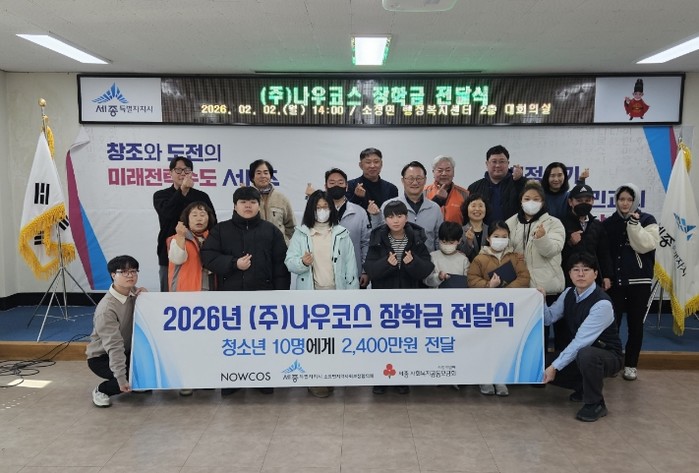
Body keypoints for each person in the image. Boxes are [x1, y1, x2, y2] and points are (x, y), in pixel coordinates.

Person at [201, 186, 290, 395]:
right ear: (235, 206)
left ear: (259, 205)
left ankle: (263, 378)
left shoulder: (271, 231)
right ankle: (232, 380)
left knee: (262, 341)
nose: (247, 206)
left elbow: (281, 265)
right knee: (233, 341)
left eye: (252, 202)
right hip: (231, 297)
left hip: (264, 297)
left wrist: (281, 295)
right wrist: (233, 264)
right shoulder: (221, 230)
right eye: (243, 202)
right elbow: (208, 256)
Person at [285, 190, 359, 398]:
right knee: (315, 342)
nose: (322, 211)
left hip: (337, 295)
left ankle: (332, 376)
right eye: (318, 208)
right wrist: (302, 262)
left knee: (335, 341)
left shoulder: (341, 233)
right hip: (312, 296)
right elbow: (289, 262)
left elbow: (351, 266)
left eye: (326, 207)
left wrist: (352, 297)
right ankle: (316, 380)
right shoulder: (301, 234)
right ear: (311, 210)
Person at [364, 200, 435, 395]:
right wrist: (387, 264)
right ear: (385, 219)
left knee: (404, 341)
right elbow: (370, 268)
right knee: (382, 341)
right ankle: (380, 379)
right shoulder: (377, 237)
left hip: (409, 300)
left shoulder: (417, 237)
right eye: (390, 217)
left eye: (399, 216)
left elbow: (427, 268)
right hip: (383, 301)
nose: (395, 220)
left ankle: (402, 377)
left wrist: (412, 263)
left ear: (406, 217)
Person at [543, 252, 623, 422]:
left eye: (586, 270)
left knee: (586, 354)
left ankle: (595, 403)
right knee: (541, 363)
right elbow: (549, 318)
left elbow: (581, 342)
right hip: (582, 353)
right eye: (576, 270)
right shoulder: (568, 293)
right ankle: (583, 387)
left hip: (607, 354)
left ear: (595, 274)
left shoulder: (602, 303)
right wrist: (540, 300)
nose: (580, 274)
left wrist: (554, 367)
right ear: (569, 274)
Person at [602, 183, 659, 381]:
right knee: (612, 324)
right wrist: (607, 276)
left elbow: (645, 245)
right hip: (616, 283)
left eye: (629, 199)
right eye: (621, 199)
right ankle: (613, 362)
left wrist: (634, 224)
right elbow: (605, 253)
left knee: (636, 325)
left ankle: (631, 365)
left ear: (635, 201)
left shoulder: (647, 220)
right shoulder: (609, 223)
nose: (625, 203)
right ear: (616, 200)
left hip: (640, 282)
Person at [467, 221, 530, 397]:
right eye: (496, 236)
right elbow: (472, 280)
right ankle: (485, 378)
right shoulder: (479, 258)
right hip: (485, 309)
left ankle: (501, 378)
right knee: (485, 343)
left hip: (508, 309)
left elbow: (524, 278)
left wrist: (506, 290)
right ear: (488, 238)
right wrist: (489, 285)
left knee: (503, 344)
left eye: (504, 237)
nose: (500, 239)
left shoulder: (515, 257)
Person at [167, 201, 217, 396]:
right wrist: (180, 236)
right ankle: (186, 380)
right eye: (194, 215)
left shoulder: (215, 237)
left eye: (203, 215)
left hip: (210, 295)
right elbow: (177, 258)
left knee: (207, 340)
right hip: (186, 298)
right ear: (186, 219)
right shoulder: (176, 238)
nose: (199, 218)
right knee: (186, 341)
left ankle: (204, 377)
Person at [557, 183, 613, 351]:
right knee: (565, 323)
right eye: (579, 200)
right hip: (567, 281)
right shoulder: (560, 223)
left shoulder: (597, 225)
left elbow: (604, 253)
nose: (584, 203)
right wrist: (569, 242)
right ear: (570, 202)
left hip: (590, 283)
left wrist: (607, 276)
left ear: (593, 201)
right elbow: (554, 253)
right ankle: (562, 359)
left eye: (587, 200)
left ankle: (586, 358)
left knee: (588, 321)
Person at [86, 255, 147, 408]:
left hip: (127, 350)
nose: (130, 275)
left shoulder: (134, 293)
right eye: (124, 272)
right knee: (128, 380)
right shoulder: (106, 309)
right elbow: (114, 345)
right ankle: (102, 390)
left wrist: (147, 298)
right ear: (113, 275)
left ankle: (134, 380)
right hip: (102, 357)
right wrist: (121, 378)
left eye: (133, 271)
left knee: (148, 372)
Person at [153, 156, 215, 292]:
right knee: (169, 292)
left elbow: (212, 223)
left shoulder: (202, 196)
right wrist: (182, 190)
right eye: (178, 170)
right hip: (170, 252)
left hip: (200, 253)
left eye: (187, 170)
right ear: (170, 173)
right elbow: (168, 213)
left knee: (202, 291)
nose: (183, 174)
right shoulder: (160, 195)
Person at [505, 181, 565, 303]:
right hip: (518, 289)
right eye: (527, 199)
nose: (531, 202)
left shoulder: (554, 223)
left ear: (542, 202)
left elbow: (552, 250)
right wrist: (512, 256)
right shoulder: (510, 223)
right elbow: (502, 251)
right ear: (521, 201)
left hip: (546, 289)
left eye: (536, 199)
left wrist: (542, 238)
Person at [372, 161, 444, 251]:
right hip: (396, 259)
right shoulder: (388, 206)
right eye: (410, 178)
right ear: (403, 181)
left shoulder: (434, 208)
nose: (415, 183)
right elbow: (378, 236)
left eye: (419, 178)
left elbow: (439, 240)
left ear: (425, 180)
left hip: (428, 259)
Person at [324, 168, 371, 288]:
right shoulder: (317, 212)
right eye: (332, 183)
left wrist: (365, 271)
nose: (336, 186)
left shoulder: (359, 212)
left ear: (346, 187)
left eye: (340, 183)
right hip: (324, 275)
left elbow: (366, 243)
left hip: (354, 273)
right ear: (326, 186)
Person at [467, 145, 524, 224]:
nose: (497, 165)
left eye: (502, 161)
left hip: (513, 230)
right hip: (484, 231)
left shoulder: (519, 184)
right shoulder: (474, 188)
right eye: (494, 161)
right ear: (487, 164)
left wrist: (520, 181)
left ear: (508, 163)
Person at [248, 159, 295, 244]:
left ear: (270, 176)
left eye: (266, 173)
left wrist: (283, 240)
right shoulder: (246, 197)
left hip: (279, 248)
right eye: (258, 173)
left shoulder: (281, 198)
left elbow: (291, 226)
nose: (263, 176)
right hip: (254, 247)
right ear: (252, 177)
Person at [346, 147, 399, 220]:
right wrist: (357, 197)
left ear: (381, 164)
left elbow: (393, 215)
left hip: (383, 226)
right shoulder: (350, 185)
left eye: (376, 162)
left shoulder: (391, 189)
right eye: (368, 162)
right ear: (361, 165)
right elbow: (346, 214)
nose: (372, 166)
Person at [424, 155, 470, 225]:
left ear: (453, 172)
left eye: (448, 170)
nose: (444, 174)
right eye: (440, 170)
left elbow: (469, 221)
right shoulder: (424, 192)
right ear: (433, 172)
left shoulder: (464, 194)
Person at [424, 221, 470, 288]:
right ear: (439, 239)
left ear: (459, 241)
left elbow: (468, 281)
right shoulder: (432, 257)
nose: (447, 245)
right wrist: (438, 277)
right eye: (444, 242)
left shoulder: (463, 260)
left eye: (451, 243)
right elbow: (426, 280)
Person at [457, 193, 489, 262]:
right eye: (473, 206)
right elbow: (459, 256)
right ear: (466, 208)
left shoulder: (491, 230)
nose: (477, 209)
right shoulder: (460, 231)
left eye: (481, 206)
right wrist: (469, 242)